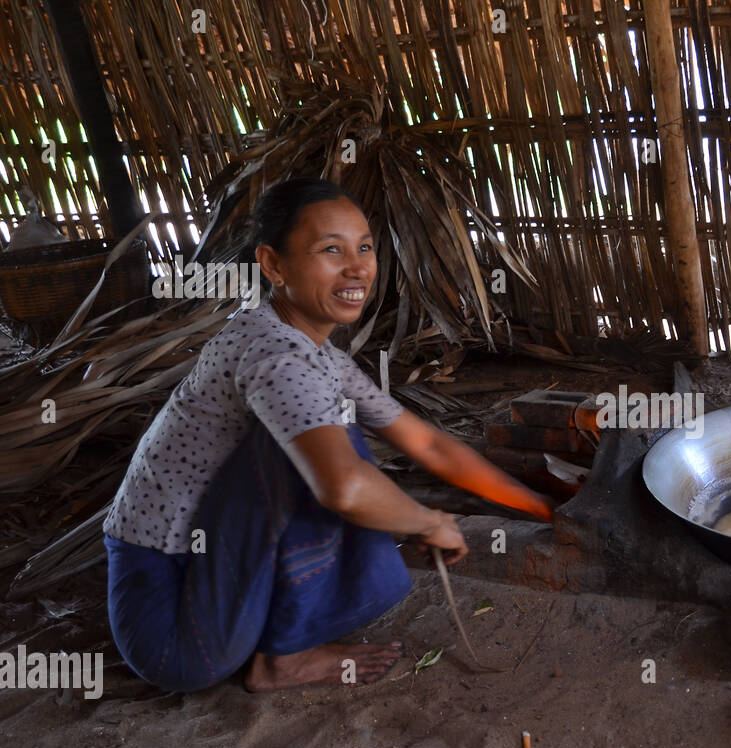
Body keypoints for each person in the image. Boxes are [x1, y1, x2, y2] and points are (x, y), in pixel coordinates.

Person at [102, 178, 554, 693]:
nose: (358, 266)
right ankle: (282, 658)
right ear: (273, 265)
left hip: (208, 592)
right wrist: (428, 521)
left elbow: (425, 443)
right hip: (174, 634)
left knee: (329, 435)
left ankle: (278, 637)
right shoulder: (276, 357)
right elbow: (343, 487)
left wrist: (538, 506)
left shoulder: (314, 354)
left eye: (364, 247)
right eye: (330, 250)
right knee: (324, 450)